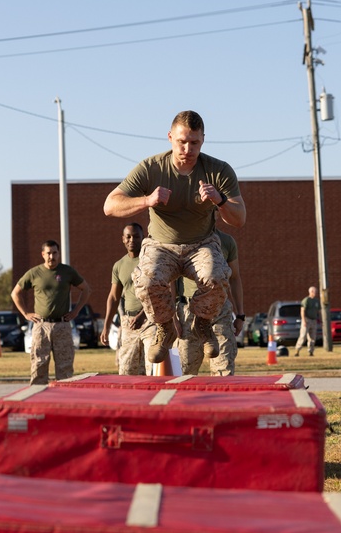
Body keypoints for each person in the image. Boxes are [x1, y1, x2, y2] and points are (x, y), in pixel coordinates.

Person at [103, 110, 246, 365]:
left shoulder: (218, 170)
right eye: (182, 141)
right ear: (170, 137)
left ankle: (202, 323)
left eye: (194, 142)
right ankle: (164, 326)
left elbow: (239, 218)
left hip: (201, 243)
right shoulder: (151, 168)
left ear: (203, 140)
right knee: (145, 281)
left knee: (217, 275)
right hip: (162, 245)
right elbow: (110, 205)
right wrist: (148, 200)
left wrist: (220, 200)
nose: (188, 149)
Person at [11, 240, 91, 385]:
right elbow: (15, 293)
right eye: (48, 253)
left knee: (65, 368)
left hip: (62, 325)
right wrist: (25, 313)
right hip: (41, 326)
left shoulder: (67, 272)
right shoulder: (34, 273)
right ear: (43, 254)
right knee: (39, 366)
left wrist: (76, 311)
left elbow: (86, 289)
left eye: (54, 253)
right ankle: (37, 402)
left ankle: (63, 403)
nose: (51, 256)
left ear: (58, 254)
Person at [176, 228, 244, 376]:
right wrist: (172, 317)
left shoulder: (226, 241)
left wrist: (240, 315)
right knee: (184, 371)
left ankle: (220, 399)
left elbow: (235, 278)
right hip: (189, 313)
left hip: (219, 311)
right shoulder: (183, 238)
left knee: (223, 370)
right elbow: (171, 279)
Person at [101, 223, 147, 375]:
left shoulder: (152, 261)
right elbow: (114, 297)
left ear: (143, 238)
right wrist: (106, 326)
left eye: (136, 236)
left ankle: (156, 398)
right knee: (127, 371)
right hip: (129, 323)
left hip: (151, 321)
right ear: (123, 239)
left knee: (152, 368)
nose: (132, 240)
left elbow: (162, 293)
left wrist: (143, 315)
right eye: (128, 236)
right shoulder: (119, 265)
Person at [294, 286, 320, 357]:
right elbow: (302, 310)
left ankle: (311, 351)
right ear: (311, 292)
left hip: (313, 320)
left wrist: (319, 319)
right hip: (307, 319)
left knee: (312, 337)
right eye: (314, 291)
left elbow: (318, 310)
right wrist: (304, 320)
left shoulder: (316, 301)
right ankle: (297, 350)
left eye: (316, 292)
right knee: (303, 335)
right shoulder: (306, 300)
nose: (315, 293)